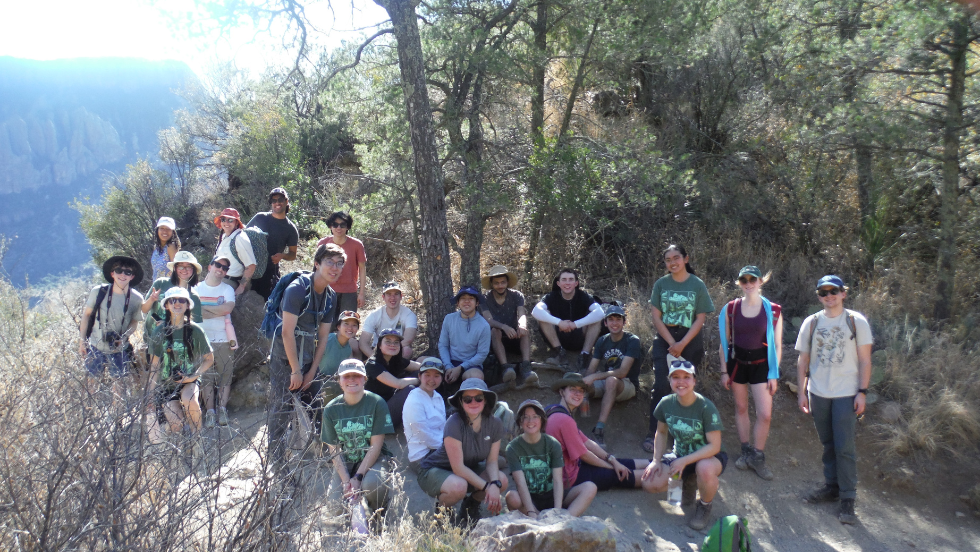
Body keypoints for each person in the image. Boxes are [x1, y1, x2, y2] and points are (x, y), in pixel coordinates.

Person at [796, 275, 872, 525]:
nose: (828, 296)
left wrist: (862, 391)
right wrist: (802, 391)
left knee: (844, 447)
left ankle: (848, 498)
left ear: (843, 293)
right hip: (818, 392)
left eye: (833, 291)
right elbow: (803, 360)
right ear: (818, 296)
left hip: (846, 393)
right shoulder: (812, 322)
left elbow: (864, 359)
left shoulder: (855, 321)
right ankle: (832, 487)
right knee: (828, 444)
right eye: (823, 292)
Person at [267, 243, 342, 471]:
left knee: (318, 405)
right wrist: (295, 371)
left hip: (308, 357)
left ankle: (326, 455)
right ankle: (277, 462)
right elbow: (286, 332)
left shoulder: (330, 296)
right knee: (282, 408)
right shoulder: (298, 289)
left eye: (340, 264)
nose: (335, 268)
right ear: (317, 263)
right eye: (329, 262)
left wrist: (310, 372)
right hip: (283, 359)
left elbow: (323, 337)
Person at [643, 245, 714, 453]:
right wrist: (671, 343)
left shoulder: (697, 284)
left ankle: (681, 437)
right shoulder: (661, 284)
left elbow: (700, 317)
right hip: (664, 339)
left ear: (685, 259)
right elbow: (656, 317)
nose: (672, 262)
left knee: (684, 386)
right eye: (668, 259)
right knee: (662, 386)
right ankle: (653, 432)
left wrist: (682, 344)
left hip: (690, 340)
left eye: (676, 258)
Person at [641, 360, 727, 531]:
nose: (681, 382)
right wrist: (656, 460)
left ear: (694, 381)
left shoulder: (705, 407)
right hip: (680, 455)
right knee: (649, 483)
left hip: (710, 457)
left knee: (704, 468)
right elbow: (662, 433)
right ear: (670, 381)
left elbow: (715, 446)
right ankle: (686, 483)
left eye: (686, 377)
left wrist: (685, 461)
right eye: (676, 377)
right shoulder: (666, 403)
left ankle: (704, 505)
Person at [718, 265, 783, 480]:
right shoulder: (730, 309)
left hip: (762, 365)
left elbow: (778, 345)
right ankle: (746, 450)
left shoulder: (773, 310)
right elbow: (723, 343)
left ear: (760, 281)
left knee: (764, 414)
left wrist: (774, 373)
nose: (748, 284)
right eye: (744, 280)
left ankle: (757, 455)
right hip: (737, 363)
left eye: (752, 279)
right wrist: (723, 371)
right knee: (741, 407)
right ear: (739, 283)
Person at [546, 373, 659, 496]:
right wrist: (610, 467)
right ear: (562, 392)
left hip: (568, 467)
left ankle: (659, 463)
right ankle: (665, 474)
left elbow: (586, 442)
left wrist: (612, 460)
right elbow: (584, 454)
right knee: (617, 474)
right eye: (572, 390)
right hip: (567, 477)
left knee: (618, 462)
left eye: (581, 391)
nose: (578, 394)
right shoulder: (564, 420)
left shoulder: (554, 410)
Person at [417, 379, 509, 525]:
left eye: (478, 398)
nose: (473, 402)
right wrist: (487, 487)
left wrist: (495, 484)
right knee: (458, 486)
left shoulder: (495, 423)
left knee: (502, 480)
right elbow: (458, 467)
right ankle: (442, 513)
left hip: (467, 469)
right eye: (467, 399)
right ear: (461, 402)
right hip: (434, 470)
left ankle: (470, 505)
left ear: (485, 401)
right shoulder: (453, 423)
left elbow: (492, 461)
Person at [322, 359, 395, 523]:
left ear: (365, 379)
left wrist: (358, 477)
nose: (352, 380)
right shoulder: (330, 410)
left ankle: (378, 516)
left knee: (372, 485)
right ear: (339, 381)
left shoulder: (377, 403)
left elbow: (376, 446)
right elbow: (334, 450)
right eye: (346, 376)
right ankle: (353, 520)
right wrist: (347, 480)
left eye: (357, 376)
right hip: (346, 462)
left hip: (375, 458)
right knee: (334, 505)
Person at [504, 399, 597, 518]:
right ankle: (536, 520)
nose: (530, 421)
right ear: (520, 422)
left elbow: (558, 480)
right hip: (529, 499)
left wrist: (556, 511)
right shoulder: (513, 448)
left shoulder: (553, 444)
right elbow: (520, 483)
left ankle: (564, 519)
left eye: (535, 416)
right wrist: (532, 512)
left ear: (542, 420)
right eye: (525, 417)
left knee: (590, 487)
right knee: (511, 497)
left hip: (554, 495)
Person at [146, 287, 214, 436]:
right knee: (175, 423)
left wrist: (194, 376)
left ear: (188, 305)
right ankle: (182, 449)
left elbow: (209, 359)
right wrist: (150, 394)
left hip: (189, 379)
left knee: (190, 399)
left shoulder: (196, 330)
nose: (177, 304)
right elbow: (155, 365)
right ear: (166, 305)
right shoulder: (159, 332)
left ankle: (198, 439)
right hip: (167, 384)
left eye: (182, 300)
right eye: (173, 300)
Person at [78, 256, 145, 392]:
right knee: (91, 384)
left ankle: (118, 413)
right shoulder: (99, 292)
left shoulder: (137, 298)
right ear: (112, 273)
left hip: (119, 348)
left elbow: (134, 322)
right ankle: (92, 412)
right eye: (119, 270)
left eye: (127, 272)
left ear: (132, 276)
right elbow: (86, 315)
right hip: (96, 345)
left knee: (119, 386)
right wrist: (82, 341)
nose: (123, 275)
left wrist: (124, 337)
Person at [583, 304, 642, 448]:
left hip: (626, 384)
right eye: (611, 320)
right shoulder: (602, 340)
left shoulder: (632, 340)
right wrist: (583, 386)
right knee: (574, 383)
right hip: (606, 381)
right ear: (605, 323)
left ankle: (599, 429)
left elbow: (622, 372)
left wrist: (595, 377)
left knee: (611, 380)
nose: (614, 323)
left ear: (624, 322)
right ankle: (568, 427)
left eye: (618, 319)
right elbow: (591, 369)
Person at [193, 256, 237, 428]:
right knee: (206, 378)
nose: (220, 269)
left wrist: (204, 309)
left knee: (225, 375)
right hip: (202, 340)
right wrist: (216, 311)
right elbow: (194, 312)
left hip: (223, 339)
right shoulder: (196, 288)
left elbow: (227, 308)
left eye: (225, 268)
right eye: (218, 265)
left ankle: (222, 410)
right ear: (210, 266)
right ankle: (210, 413)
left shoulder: (227, 289)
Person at [531, 268, 604, 370]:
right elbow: (536, 311)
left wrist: (575, 324)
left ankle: (585, 355)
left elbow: (600, 313)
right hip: (558, 337)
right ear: (558, 283)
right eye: (564, 279)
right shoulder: (551, 296)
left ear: (576, 283)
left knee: (596, 318)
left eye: (571, 279)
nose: (567, 283)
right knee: (543, 315)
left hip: (580, 336)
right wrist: (559, 323)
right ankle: (560, 354)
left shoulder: (583, 296)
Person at [480, 265, 537, 387]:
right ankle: (505, 367)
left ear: (507, 282)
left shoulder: (516, 295)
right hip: (496, 339)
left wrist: (522, 325)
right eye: (496, 283)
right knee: (495, 331)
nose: (500, 286)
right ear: (491, 284)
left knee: (524, 330)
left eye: (503, 282)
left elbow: (522, 314)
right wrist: (504, 327)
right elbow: (488, 320)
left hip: (514, 335)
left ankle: (526, 367)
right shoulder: (485, 298)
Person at [142, 251, 204, 352]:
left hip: (177, 346)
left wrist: (168, 325)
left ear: (193, 270)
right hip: (151, 339)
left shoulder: (193, 296)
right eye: (180, 266)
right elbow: (144, 309)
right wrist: (152, 299)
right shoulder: (161, 283)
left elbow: (194, 326)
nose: (184, 270)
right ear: (175, 268)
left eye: (188, 266)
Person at [246, 187, 299, 300]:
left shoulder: (291, 228)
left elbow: (293, 254)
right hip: (249, 268)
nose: (277, 203)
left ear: (286, 201)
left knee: (266, 306)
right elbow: (242, 236)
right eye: (273, 201)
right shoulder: (260, 217)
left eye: (280, 199)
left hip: (269, 273)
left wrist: (282, 256)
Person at [364, 328, 421, 429]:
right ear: (379, 345)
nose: (392, 345)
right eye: (388, 342)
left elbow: (420, 367)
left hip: (389, 405)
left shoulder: (395, 360)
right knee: (410, 389)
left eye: (396, 342)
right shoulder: (372, 364)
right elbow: (398, 384)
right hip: (377, 417)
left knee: (423, 373)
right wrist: (421, 381)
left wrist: (434, 366)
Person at [438, 286, 491, 388]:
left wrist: (461, 368)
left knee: (476, 376)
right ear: (458, 303)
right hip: (450, 361)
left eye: (471, 299)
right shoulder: (449, 319)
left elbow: (482, 354)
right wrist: (448, 366)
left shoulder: (484, 325)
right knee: (422, 362)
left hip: (471, 365)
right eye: (463, 299)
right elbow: (443, 345)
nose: (467, 302)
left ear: (477, 303)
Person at [402, 358, 447, 472]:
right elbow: (424, 435)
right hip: (422, 457)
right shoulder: (414, 399)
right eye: (427, 375)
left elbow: (443, 427)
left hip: (440, 448)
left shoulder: (438, 397)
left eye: (436, 376)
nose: (432, 380)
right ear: (419, 376)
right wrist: (449, 447)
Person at [316, 211, 366, 312]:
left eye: (342, 225)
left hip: (349, 291)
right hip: (326, 290)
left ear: (347, 227)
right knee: (326, 325)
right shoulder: (323, 244)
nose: (338, 228)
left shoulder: (357, 245)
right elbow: (316, 268)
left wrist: (361, 293)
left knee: (347, 324)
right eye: (335, 224)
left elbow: (362, 268)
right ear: (330, 226)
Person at [359, 281, 418, 359]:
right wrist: (375, 358)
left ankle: (398, 370)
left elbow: (408, 340)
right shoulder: (374, 315)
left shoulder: (409, 315)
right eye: (389, 294)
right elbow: (363, 343)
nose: (392, 298)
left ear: (401, 296)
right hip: (378, 351)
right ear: (383, 297)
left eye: (396, 294)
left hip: (398, 350)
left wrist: (391, 351)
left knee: (407, 350)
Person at [319, 310, 361, 407]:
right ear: (338, 327)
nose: (350, 328)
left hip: (334, 383)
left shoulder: (348, 349)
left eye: (354, 325)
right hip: (319, 382)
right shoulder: (328, 340)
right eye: (346, 324)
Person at [213, 208, 256, 296]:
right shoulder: (224, 236)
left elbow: (251, 265)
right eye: (223, 219)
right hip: (218, 278)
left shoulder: (240, 238)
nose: (226, 223)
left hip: (230, 282)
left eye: (230, 220)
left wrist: (241, 287)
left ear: (236, 222)